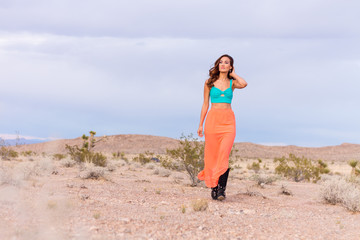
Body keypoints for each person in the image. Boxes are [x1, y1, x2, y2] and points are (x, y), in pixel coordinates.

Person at [197, 54, 247, 201]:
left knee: (223, 155)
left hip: (228, 122)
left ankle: (221, 190)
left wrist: (233, 74)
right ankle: (214, 187)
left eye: (227, 63)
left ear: (230, 66)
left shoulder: (233, 83)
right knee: (212, 155)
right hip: (212, 121)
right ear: (217, 65)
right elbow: (205, 104)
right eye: (221, 62)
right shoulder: (209, 83)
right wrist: (200, 124)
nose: (223, 64)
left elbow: (244, 83)